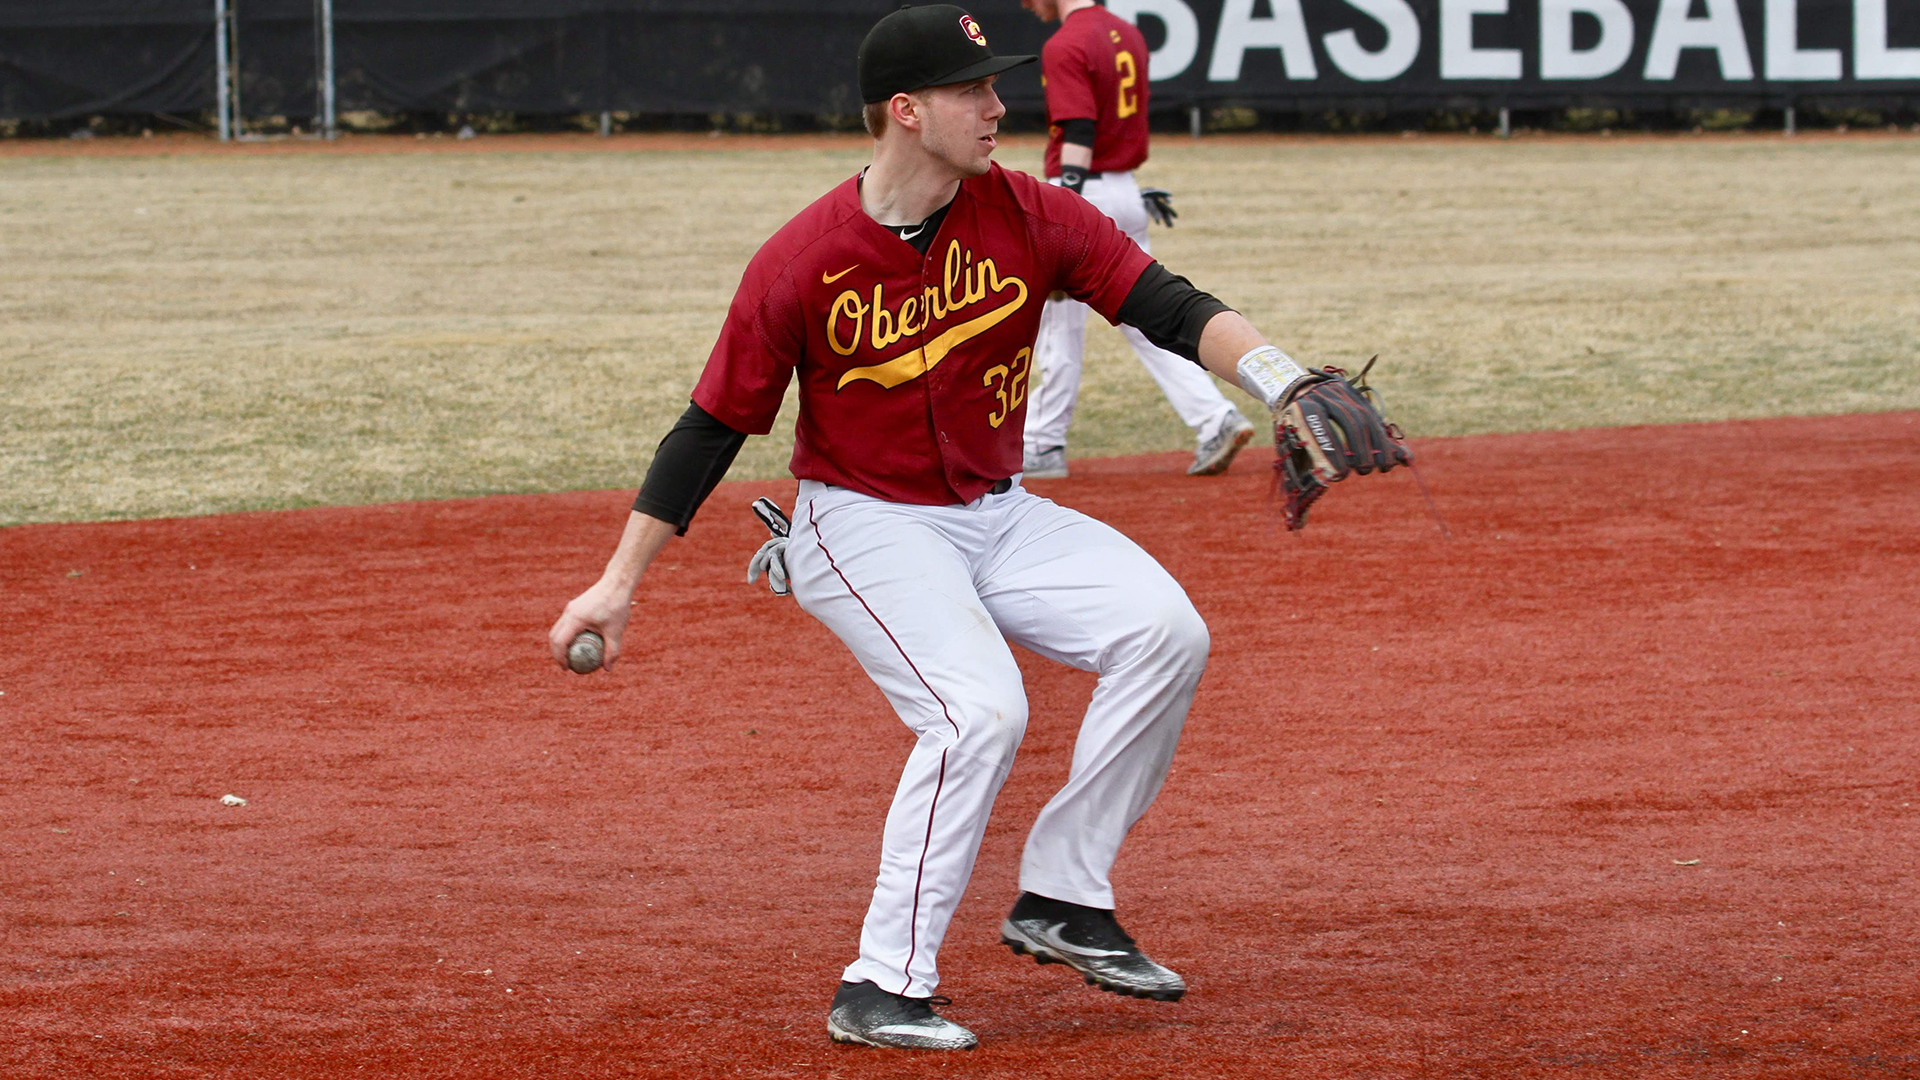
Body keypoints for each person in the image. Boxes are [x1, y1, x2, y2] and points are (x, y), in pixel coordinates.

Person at [548, 4, 1338, 1052]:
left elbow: (1170, 305)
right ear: (907, 113)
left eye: (995, 85)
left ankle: (1061, 894)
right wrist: (617, 582)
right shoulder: (802, 259)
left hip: (996, 515)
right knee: (979, 713)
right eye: (972, 90)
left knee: (1164, 631)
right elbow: (712, 426)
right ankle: (881, 983)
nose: (998, 105)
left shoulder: (1027, 213)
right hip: (861, 522)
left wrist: (1282, 379)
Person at [1017, 0, 1256, 480]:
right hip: (1123, 186)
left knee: (1060, 323)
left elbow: (1081, 129)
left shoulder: (1066, 42)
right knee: (1148, 316)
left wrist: (1066, 203)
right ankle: (1215, 418)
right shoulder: (1126, 32)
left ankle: (1043, 442)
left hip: (1086, 188)